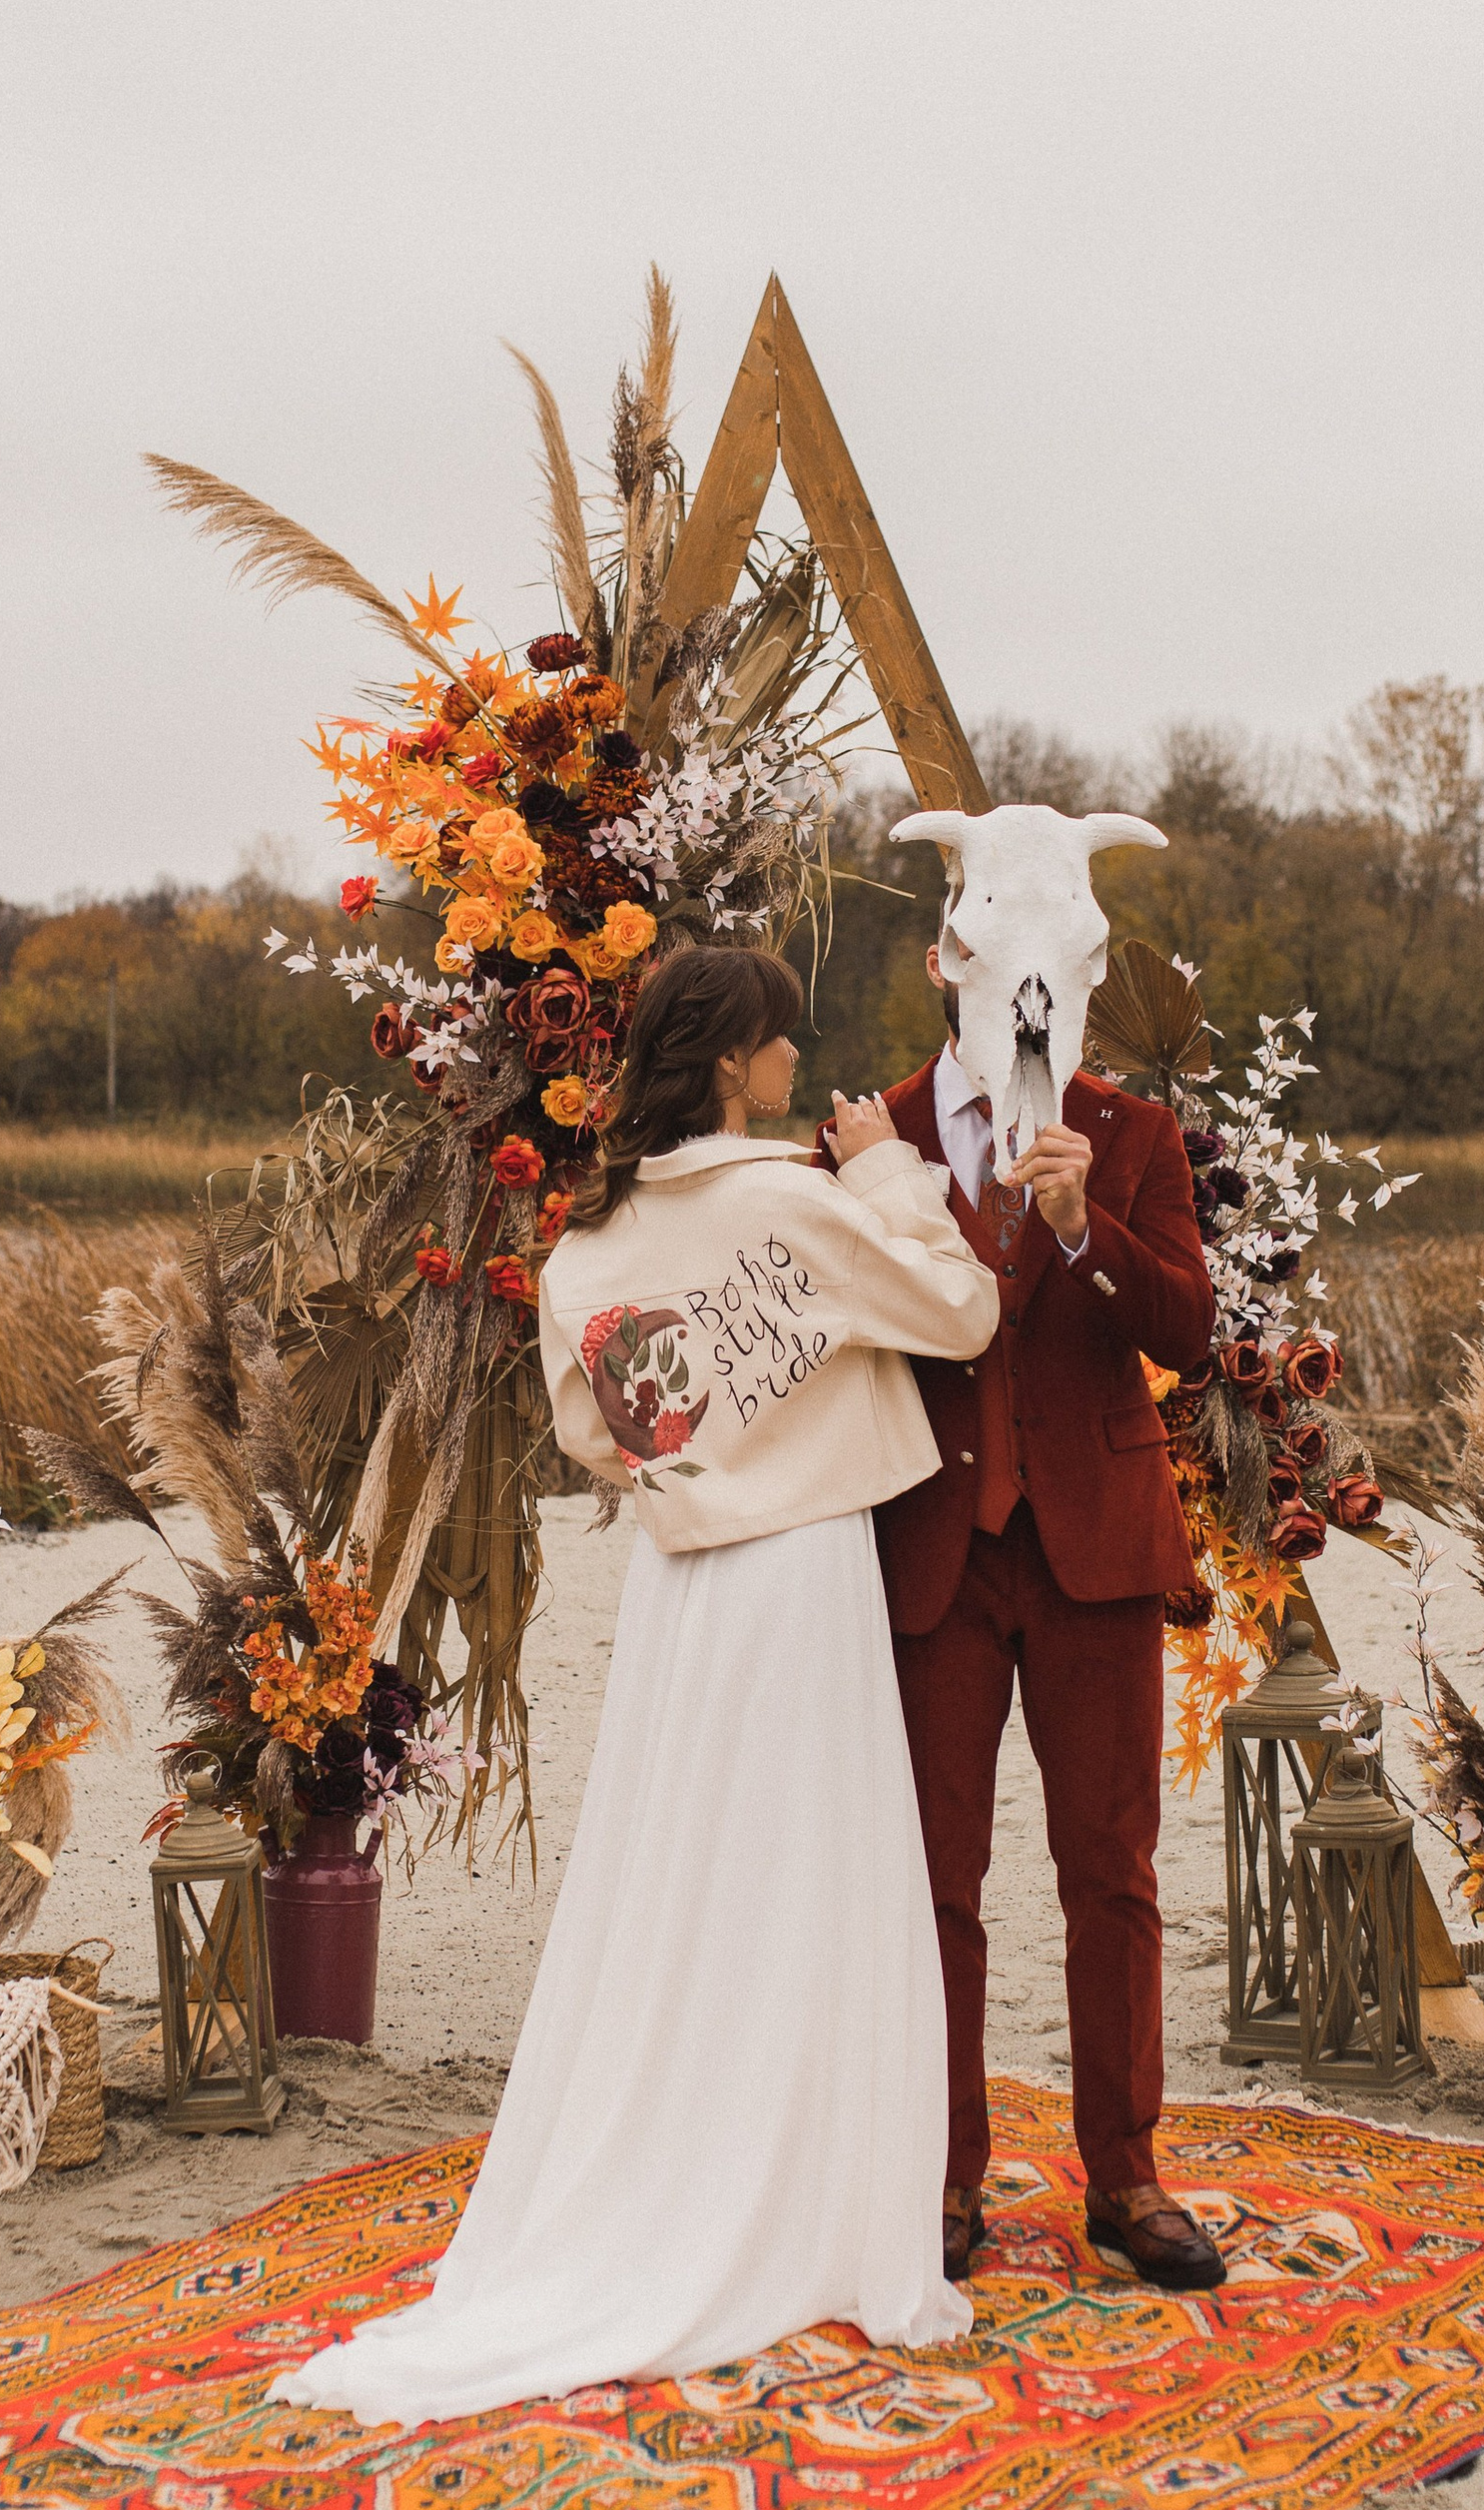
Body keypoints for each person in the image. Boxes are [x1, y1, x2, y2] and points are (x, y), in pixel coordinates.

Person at [272, 943, 1001, 2429]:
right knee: (814, 1881)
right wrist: (882, 1174)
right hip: (800, 1573)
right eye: (784, 1045)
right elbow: (960, 1312)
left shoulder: (587, 1248)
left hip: (682, 1592)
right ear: (734, 1064)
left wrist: (702, 1451)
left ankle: (697, 2165)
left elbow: (594, 1437)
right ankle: (801, 2202)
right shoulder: (800, 1201)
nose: (803, 1067)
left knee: (690, 1882)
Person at [871, 935, 1227, 2294]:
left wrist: (1089, 1230)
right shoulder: (879, 1133)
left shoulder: (1135, 1132)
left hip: (1096, 1542)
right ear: (942, 966)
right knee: (933, 1884)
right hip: (934, 1551)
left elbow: (1190, 1330)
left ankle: (1126, 2175)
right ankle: (945, 2173)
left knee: (1113, 1872)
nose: (1025, 997)